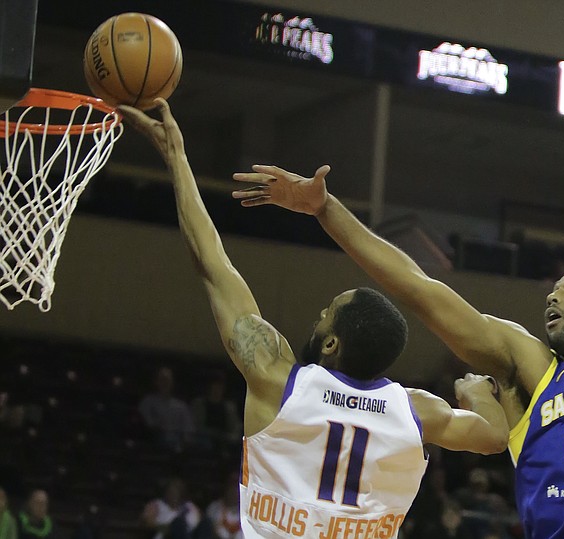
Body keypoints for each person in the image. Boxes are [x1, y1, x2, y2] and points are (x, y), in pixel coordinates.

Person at [231, 163, 564, 538]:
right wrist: (326, 210)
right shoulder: (532, 368)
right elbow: (420, 289)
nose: (552, 295)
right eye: (553, 288)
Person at [119, 100, 508, 539]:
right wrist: (476, 390)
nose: (319, 316)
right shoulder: (418, 411)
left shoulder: (276, 379)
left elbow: (213, 263)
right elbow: (495, 437)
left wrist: (176, 157)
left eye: (327, 314)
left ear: (331, 343)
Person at [139, 366, 195, 452]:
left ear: (172, 383)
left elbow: (188, 431)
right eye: (162, 379)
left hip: (177, 450)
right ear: (156, 382)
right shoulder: (147, 402)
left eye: (168, 380)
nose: (165, 383)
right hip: (154, 445)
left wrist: (182, 447)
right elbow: (148, 425)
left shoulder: (182, 406)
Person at [204, 473, 243, 539]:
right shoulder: (213, 508)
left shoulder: (248, 512)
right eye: (231, 484)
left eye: (236, 485)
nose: (233, 490)